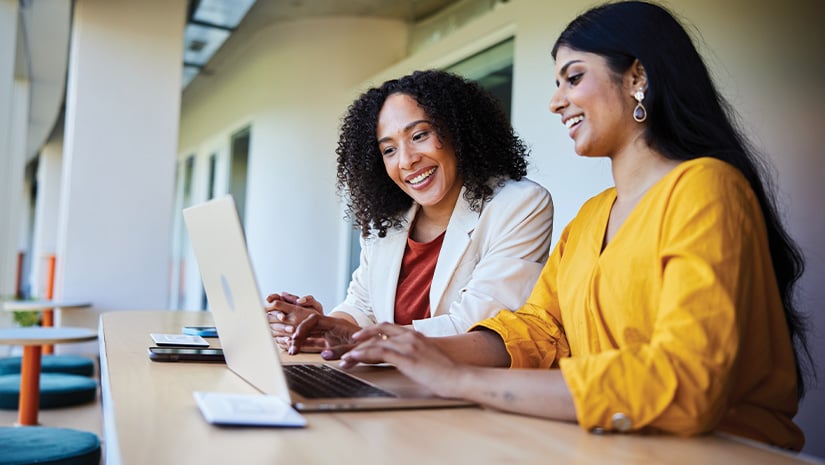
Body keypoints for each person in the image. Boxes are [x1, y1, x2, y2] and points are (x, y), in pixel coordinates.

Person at [318, 1, 812, 451]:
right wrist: (412, 348)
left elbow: (685, 382)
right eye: (557, 84)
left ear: (637, 76)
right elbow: (535, 330)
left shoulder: (706, 188)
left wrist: (459, 380)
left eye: (572, 78)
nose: (556, 102)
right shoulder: (593, 215)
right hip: (609, 442)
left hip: (721, 450)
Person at [267, 69, 554, 354]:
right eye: (389, 150)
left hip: (462, 390)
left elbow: (479, 326)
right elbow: (361, 307)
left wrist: (357, 337)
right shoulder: (388, 222)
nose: (406, 160)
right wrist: (320, 326)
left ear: (458, 131)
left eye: (419, 135)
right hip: (386, 382)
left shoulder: (520, 204)